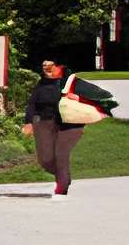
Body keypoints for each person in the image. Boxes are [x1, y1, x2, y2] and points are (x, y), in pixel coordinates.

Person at [23, 60, 119, 198]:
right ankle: (64, 176)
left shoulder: (73, 83)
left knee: (61, 154)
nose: (46, 69)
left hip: (71, 125)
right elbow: (32, 103)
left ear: (60, 66)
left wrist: (78, 98)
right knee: (45, 160)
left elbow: (109, 98)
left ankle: (61, 187)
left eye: (50, 66)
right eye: (44, 66)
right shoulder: (41, 84)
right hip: (45, 122)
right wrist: (28, 122)